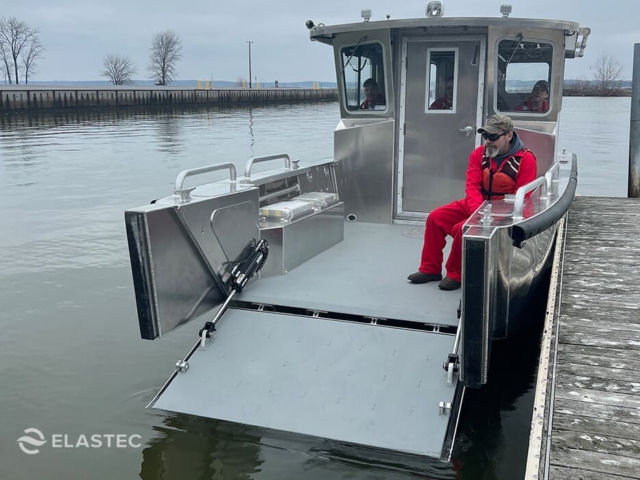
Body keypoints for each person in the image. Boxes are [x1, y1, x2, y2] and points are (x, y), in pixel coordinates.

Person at [407, 114, 537, 290]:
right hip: (478, 204)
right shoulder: (478, 154)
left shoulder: (526, 159)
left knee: (462, 229)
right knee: (435, 218)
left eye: (493, 137)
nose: (488, 141)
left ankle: (456, 274)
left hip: (504, 210)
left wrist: (490, 215)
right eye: (486, 136)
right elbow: (472, 186)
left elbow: (522, 196)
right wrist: (478, 212)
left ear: (509, 135)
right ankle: (430, 269)